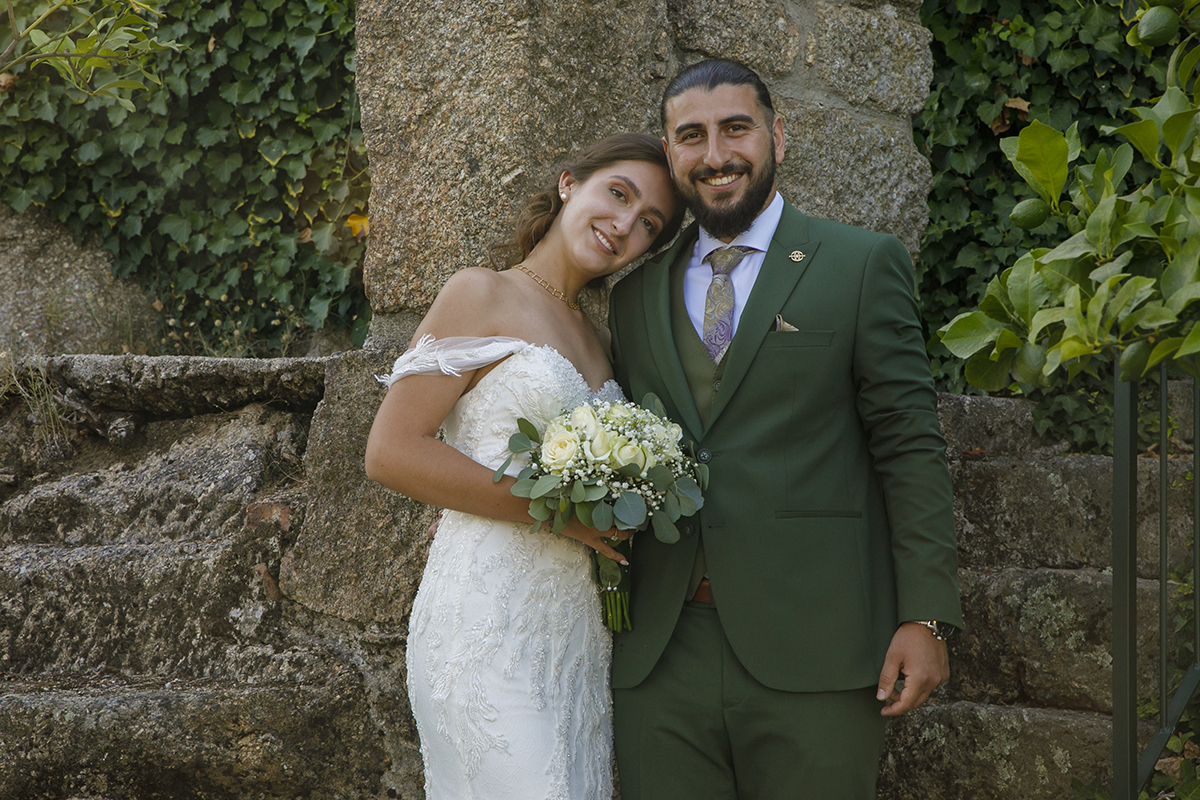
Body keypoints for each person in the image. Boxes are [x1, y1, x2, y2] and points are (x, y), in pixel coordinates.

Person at [606, 59, 963, 800]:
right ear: (671, 156)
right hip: (661, 653)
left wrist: (926, 614)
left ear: (777, 135)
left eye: (736, 128)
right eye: (691, 137)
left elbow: (909, 445)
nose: (716, 155)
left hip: (819, 641)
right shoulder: (634, 295)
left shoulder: (860, 264)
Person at [364, 132, 682, 800]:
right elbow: (392, 451)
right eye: (617, 194)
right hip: (487, 616)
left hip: (573, 631)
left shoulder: (600, 340)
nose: (625, 224)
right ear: (571, 183)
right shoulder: (481, 292)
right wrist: (560, 513)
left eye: (649, 224)